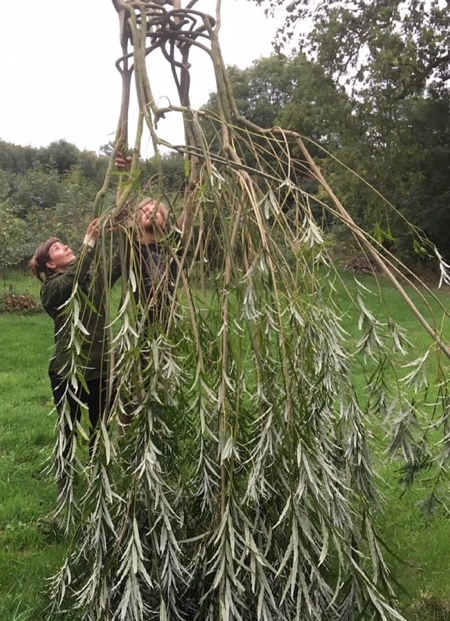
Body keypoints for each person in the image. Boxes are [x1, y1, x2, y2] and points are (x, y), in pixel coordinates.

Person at [29, 219, 114, 494]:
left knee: (100, 429)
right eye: (57, 248)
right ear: (50, 265)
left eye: (63, 244)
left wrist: (121, 229)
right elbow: (73, 280)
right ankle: (65, 482)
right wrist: (89, 243)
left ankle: (98, 478)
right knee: (69, 429)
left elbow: (118, 264)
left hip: (101, 369)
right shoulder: (51, 290)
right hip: (69, 373)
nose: (64, 246)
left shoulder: (91, 276)